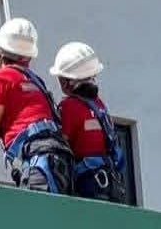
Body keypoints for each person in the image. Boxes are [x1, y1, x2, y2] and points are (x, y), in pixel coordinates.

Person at [0, 18, 74, 194]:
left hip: (38, 164)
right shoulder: (37, 82)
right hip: (60, 161)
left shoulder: (1, 79)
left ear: (0, 53)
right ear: (28, 57)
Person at [50, 42, 127, 203]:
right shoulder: (99, 106)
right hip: (110, 184)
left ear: (66, 81)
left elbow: (60, 146)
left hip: (86, 186)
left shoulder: (69, 107)